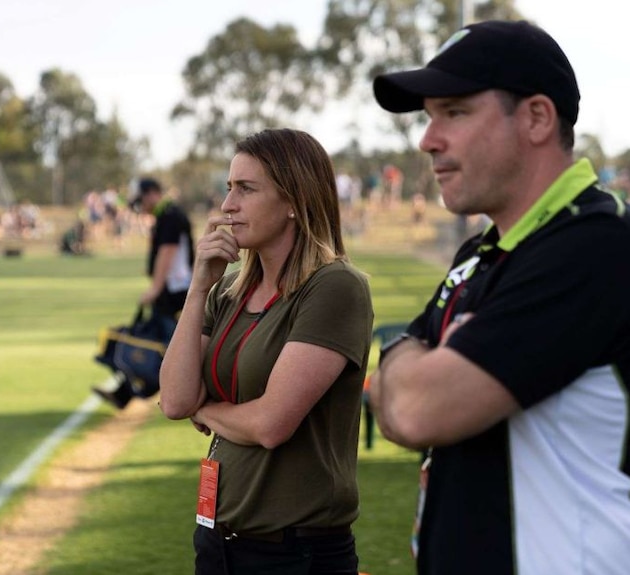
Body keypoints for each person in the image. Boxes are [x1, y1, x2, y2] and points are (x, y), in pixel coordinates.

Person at [368, 20, 630, 575]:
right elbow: (385, 388)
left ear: (536, 117)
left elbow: (413, 411)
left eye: (455, 113)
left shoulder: (595, 248)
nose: (427, 139)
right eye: (429, 115)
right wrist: (410, 360)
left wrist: (415, 362)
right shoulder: (481, 252)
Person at [158, 128, 374, 575]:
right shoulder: (230, 292)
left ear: (295, 200)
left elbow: (272, 424)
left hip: (294, 553)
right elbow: (177, 401)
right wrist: (199, 288)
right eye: (228, 188)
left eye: (246, 189)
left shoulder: (334, 287)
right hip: (218, 541)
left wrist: (208, 411)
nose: (227, 205)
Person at [93, 177, 195, 409]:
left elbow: (168, 253)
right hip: (169, 294)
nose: (141, 205)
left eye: (141, 200)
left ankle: (184, 398)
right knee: (150, 341)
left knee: (174, 350)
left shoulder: (170, 216)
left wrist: (155, 287)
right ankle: (123, 393)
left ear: (152, 194)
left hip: (174, 296)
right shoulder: (165, 216)